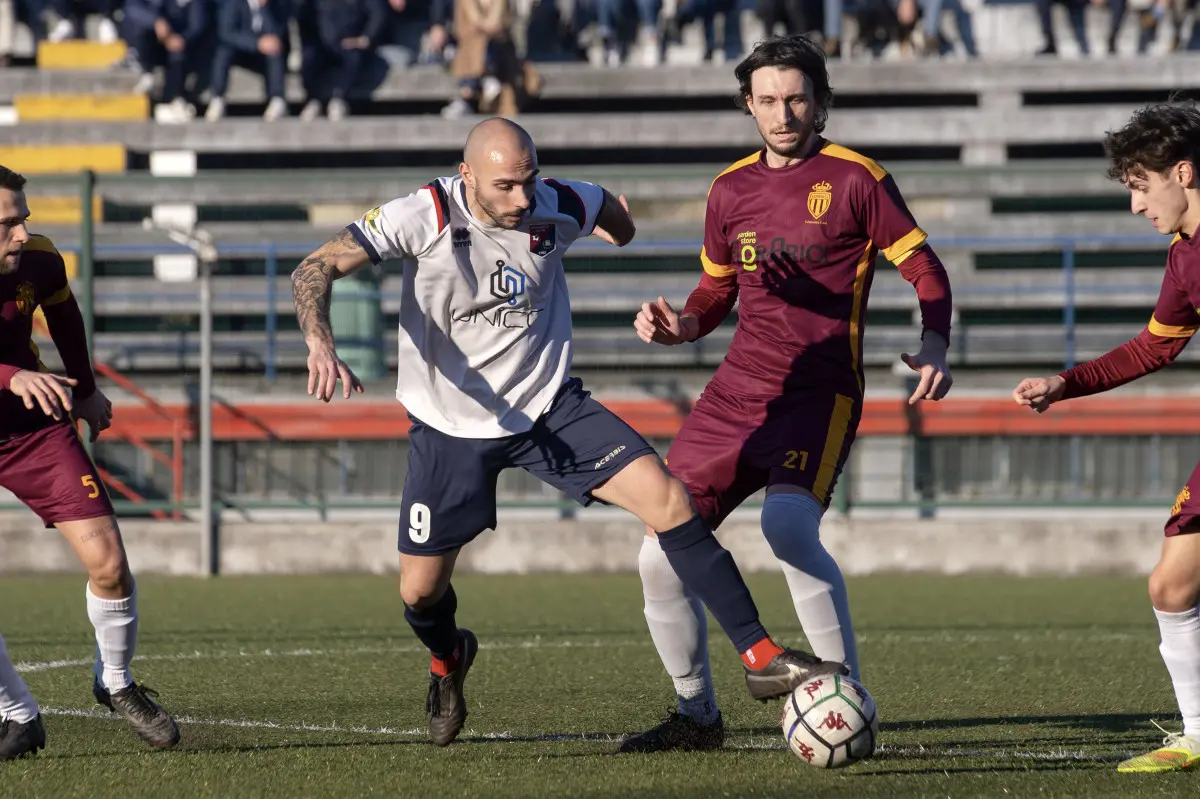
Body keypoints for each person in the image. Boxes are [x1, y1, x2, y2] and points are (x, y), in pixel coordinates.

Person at [290, 117, 847, 748]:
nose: (523, 200)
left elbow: (608, 209)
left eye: (528, 181)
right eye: (505, 186)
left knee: (668, 500)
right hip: (451, 425)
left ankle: (759, 657)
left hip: (551, 404)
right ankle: (448, 659)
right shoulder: (425, 214)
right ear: (467, 174)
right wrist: (319, 340)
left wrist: (621, 230)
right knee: (420, 593)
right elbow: (314, 268)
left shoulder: (556, 200)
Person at [621, 34, 954, 753]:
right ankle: (696, 716)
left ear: (821, 103)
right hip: (735, 394)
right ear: (749, 105)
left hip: (819, 392)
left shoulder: (860, 178)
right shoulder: (728, 189)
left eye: (797, 98)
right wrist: (679, 325)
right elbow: (715, 292)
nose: (783, 112)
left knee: (788, 530)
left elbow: (925, 268)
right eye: (768, 99)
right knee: (657, 550)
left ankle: (849, 700)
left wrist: (935, 340)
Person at [1012, 101, 1200, 774]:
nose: (1135, 206)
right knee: (1172, 584)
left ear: (1182, 172)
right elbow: (1153, 348)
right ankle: (1197, 735)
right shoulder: (1186, 260)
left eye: (1140, 186)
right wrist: (1066, 384)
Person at [0, 165, 180, 758]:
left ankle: (116, 681)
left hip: (30, 427)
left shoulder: (41, 259)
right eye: (7, 225)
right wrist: (13, 373)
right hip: (20, 389)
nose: (21, 234)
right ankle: (18, 716)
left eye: (23, 220)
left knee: (108, 563)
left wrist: (84, 389)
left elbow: (65, 315)